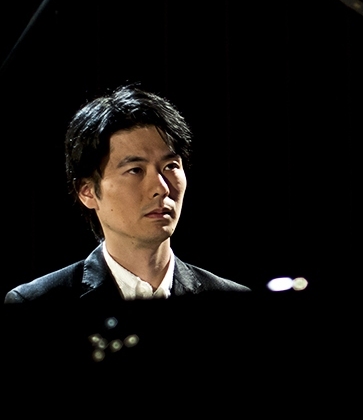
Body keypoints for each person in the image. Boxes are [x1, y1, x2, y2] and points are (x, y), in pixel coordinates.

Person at [4, 84, 250, 302]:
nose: (161, 188)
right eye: (135, 170)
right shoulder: (37, 302)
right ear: (87, 191)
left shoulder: (232, 299)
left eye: (170, 166)